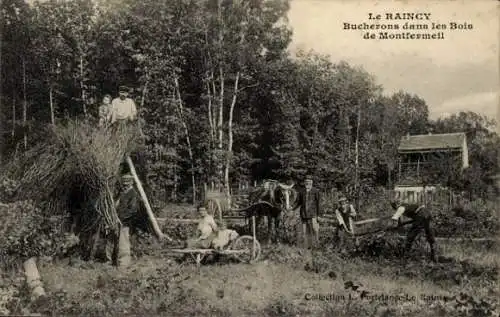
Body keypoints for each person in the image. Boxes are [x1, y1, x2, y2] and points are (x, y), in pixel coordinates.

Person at [105, 173, 140, 265]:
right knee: (111, 240)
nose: (125, 186)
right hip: (115, 220)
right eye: (124, 184)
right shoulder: (121, 193)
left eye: (127, 184)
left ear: (131, 183)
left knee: (123, 242)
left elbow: (133, 210)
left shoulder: (133, 194)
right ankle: (109, 261)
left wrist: (121, 219)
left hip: (125, 222)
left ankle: (123, 263)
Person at [296, 175, 321, 249]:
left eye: (309, 182)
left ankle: (317, 244)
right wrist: (292, 208)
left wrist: (318, 215)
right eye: (306, 182)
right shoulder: (301, 191)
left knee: (315, 229)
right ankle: (308, 245)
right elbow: (298, 202)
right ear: (304, 182)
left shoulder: (315, 191)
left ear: (312, 182)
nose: (308, 183)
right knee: (305, 231)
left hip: (313, 214)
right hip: (303, 214)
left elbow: (318, 203)